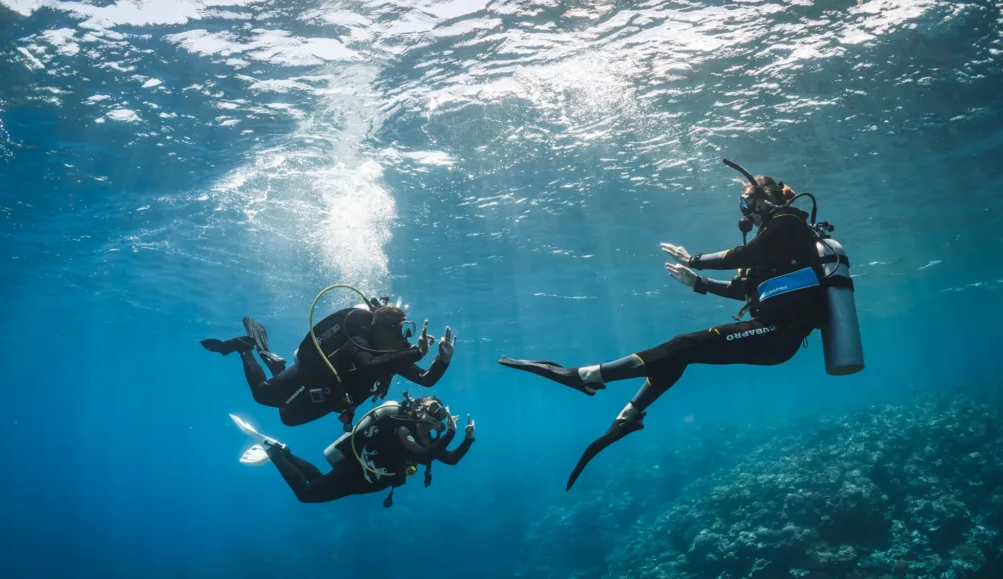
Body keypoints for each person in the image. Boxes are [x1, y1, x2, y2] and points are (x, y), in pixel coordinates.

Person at [500, 161, 849, 491]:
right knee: (681, 354)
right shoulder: (777, 243)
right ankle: (628, 416)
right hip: (771, 331)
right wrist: (697, 282)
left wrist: (694, 258)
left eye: (746, 203)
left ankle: (586, 376)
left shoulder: (787, 222)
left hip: (779, 334)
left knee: (684, 344)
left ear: (763, 199)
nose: (745, 213)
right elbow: (744, 288)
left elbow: (745, 256)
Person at [202, 304, 456, 429]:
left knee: (287, 418)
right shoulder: (358, 342)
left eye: (408, 332)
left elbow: (426, 379)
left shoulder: (392, 354)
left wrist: (442, 360)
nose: (406, 338)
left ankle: (276, 364)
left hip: (330, 397)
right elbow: (367, 366)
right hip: (309, 378)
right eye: (403, 331)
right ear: (382, 329)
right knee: (262, 395)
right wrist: (413, 352)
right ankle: (245, 349)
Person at [245, 395, 476, 507]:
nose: (436, 415)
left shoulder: (427, 442)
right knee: (306, 494)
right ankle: (274, 451)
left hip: (364, 482)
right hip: (353, 474)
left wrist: (468, 439)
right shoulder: (403, 430)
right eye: (432, 409)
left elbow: (452, 459)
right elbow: (424, 456)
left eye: (440, 413)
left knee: (317, 481)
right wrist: (450, 434)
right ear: (417, 409)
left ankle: (284, 452)